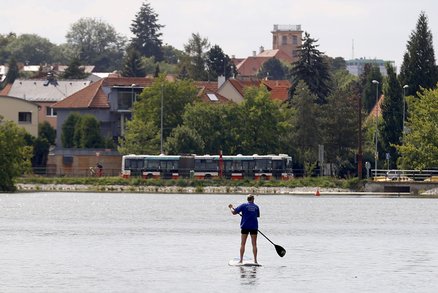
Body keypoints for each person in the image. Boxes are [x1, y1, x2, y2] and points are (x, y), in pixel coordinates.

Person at [228, 194, 260, 264]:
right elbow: (256, 216)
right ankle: (255, 261)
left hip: (245, 226)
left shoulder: (243, 205)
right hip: (254, 227)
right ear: (253, 199)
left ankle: (241, 260)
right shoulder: (256, 207)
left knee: (243, 244)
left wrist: (231, 207)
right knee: (254, 244)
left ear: (247, 199)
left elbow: (234, 212)